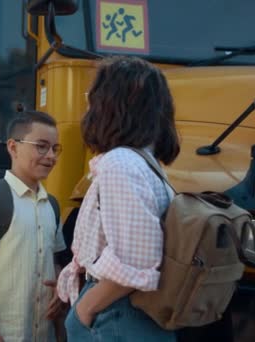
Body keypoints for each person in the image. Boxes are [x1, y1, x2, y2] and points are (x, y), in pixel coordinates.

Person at [56, 56, 180, 342]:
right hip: (135, 312)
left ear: (111, 106)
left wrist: (84, 311)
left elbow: (136, 261)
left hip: (116, 313)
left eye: (93, 97)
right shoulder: (146, 162)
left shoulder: (120, 163)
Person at [0, 110, 67, 341]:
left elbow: (55, 261)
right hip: (2, 333)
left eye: (55, 148)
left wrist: (61, 290)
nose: (50, 156)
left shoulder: (52, 205)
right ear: (13, 147)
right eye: (41, 146)